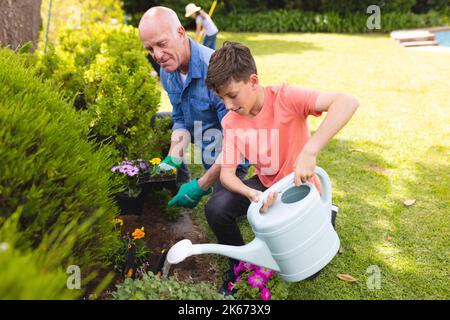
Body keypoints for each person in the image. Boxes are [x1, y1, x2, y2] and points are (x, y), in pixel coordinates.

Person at [205, 41, 359, 295]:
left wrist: (310, 151)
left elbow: (347, 101)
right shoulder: (231, 121)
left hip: (301, 188)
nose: (228, 104)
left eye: (232, 95)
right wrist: (253, 194)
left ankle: (324, 212)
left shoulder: (286, 98)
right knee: (216, 208)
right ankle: (240, 269)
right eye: (222, 97)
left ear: (253, 81)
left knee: (308, 270)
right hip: (266, 186)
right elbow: (227, 175)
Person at [138, 7, 247, 210]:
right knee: (161, 120)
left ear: (180, 33)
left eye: (162, 44)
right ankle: (179, 178)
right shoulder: (167, 71)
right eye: (150, 49)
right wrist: (173, 157)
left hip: (229, 151)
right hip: (201, 130)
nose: (158, 55)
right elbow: (179, 117)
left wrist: (202, 184)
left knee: (217, 210)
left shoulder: (215, 71)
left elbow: (237, 143)